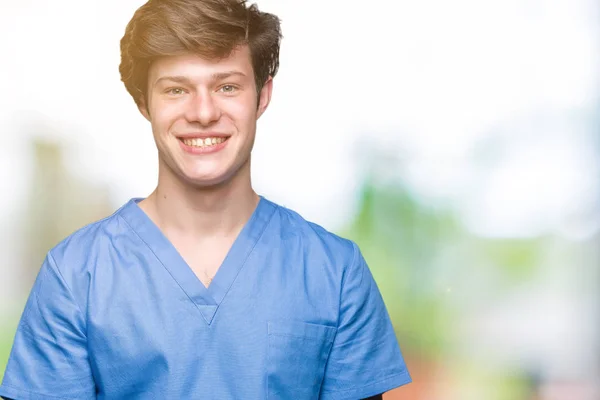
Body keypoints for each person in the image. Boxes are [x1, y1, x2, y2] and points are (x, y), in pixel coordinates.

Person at [0, 0, 411, 399]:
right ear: (144, 102)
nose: (203, 112)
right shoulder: (74, 277)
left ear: (262, 96)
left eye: (227, 86)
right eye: (176, 89)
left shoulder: (335, 273)